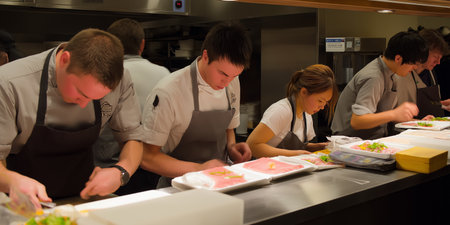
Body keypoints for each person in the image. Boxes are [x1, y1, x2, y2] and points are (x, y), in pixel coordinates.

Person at [0, 28, 143, 209]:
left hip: (84, 201)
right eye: (81, 93)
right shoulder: (9, 83)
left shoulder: (121, 81)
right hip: (21, 205)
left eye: (95, 99)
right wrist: (11, 181)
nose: (84, 105)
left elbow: (133, 138)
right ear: (65, 60)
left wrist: (121, 171)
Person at [140, 21, 253, 188]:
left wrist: (232, 147)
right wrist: (199, 169)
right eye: (222, 73)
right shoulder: (169, 91)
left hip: (221, 183)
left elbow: (229, 128)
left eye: (235, 75)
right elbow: (147, 157)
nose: (227, 81)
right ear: (205, 56)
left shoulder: (232, 81)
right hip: (177, 188)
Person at [93, 18, 170, 193]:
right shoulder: (164, 73)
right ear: (142, 45)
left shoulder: (103, 76)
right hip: (152, 168)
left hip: (110, 169)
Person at [331, 31, 429, 140]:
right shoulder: (374, 77)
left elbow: (384, 115)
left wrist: (420, 123)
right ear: (398, 59)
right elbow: (357, 121)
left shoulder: (393, 73)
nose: (415, 68)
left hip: (371, 140)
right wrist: (394, 114)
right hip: (349, 141)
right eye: (413, 64)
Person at [246, 64, 338, 158]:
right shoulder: (281, 111)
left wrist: (318, 147)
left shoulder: (307, 115)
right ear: (303, 92)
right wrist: (295, 154)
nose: (322, 107)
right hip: (267, 168)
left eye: (325, 102)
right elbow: (252, 145)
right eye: (320, 101)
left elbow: (299, 147)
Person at [396, 28, 448, 119]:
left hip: (432, 126)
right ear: (423, 52)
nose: (438, 62)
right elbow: (395, 114)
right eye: (435, 57)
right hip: (408, 129)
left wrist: (442, 105)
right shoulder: (402, 74)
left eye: (440, 58)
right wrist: (419, 123)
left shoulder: (431, 72)